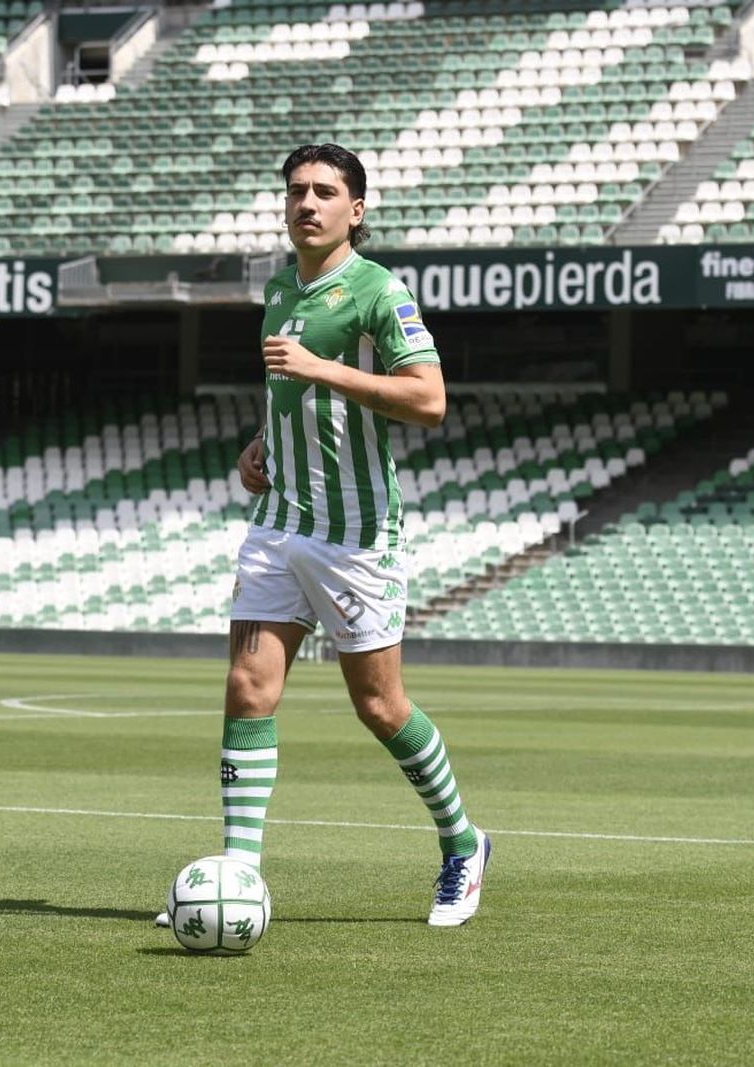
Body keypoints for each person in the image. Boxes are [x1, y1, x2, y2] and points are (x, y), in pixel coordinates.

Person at [164, 142, 490, 928]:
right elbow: (290, 390)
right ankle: (239, 876)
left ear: (358, 209)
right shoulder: (281, 286)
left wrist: (321, 368)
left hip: (356, 534)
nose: (306, 203)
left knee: (379, 707)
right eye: (296, 192)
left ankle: (463, 842)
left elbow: (430, 399)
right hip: (279, 524)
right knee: (248, 688)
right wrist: (262, 444)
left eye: (324, 192)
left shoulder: (380, 291)